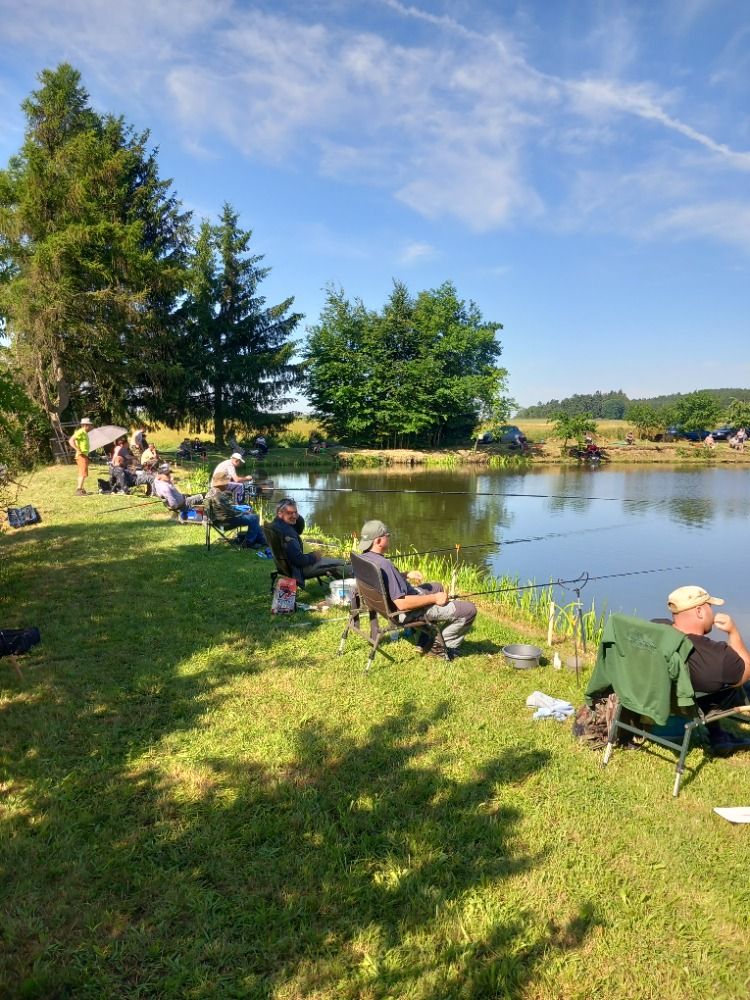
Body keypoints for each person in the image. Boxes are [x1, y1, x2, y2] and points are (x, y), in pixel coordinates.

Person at [357, 519, 477, 661]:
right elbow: (402, 603)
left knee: (436, 586)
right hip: (404, 612)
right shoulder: (385, 564)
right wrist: (434, 598)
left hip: (385, 606)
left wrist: (405, 575)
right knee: (469, 610)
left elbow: (383, 580)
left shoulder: (364, 558)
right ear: (378, 541)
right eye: (387, 535)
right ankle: (439, 649)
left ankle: (425, 637)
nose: (389, 538)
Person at [667, 585, 750, 755]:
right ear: (699, 611)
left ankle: (718, 735)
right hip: (693, 701)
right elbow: (746, 672)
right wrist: (733, 632)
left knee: (711, 682)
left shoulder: (656, 628)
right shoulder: (716, 656)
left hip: (666, 696)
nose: (712, 612)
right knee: (742, 683)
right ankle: (718, 736)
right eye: (709, 606)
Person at [270, 498, 349, 584]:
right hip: (299, 570)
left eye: (296, 512)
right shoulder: (287, 533)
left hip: (287, 567)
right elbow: (298, 560)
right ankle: (352, 587)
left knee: (337, 563)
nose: (295, 516)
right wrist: (314, 556)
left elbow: (299, 530)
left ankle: (341, 585)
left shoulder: (276, 524)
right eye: (290, 513)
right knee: (344, 564)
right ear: (280, 514)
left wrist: (295, 515)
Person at [206, 473, 265, 545]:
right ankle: (249, 542)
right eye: (226, 483)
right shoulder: (219, 495)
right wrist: (244, 513)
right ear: (221, 484)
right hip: (226, 524)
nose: (227, 485)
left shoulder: (210, 493)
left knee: (252, 517)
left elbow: (224, 510)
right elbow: (231, 512)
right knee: (254, 518)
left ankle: (261, 540)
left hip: (216, 523)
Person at [68, 417, 94, 495]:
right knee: (83, 472)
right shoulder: (80, 432)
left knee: (82, 472)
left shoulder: (84, 433)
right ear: (85, 425)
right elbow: (71, 440)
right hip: (81, 455)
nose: (91, 427)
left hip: (84, 455)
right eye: (90, 425)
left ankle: (81, 488)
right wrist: (77, 449)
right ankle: (79, 489)